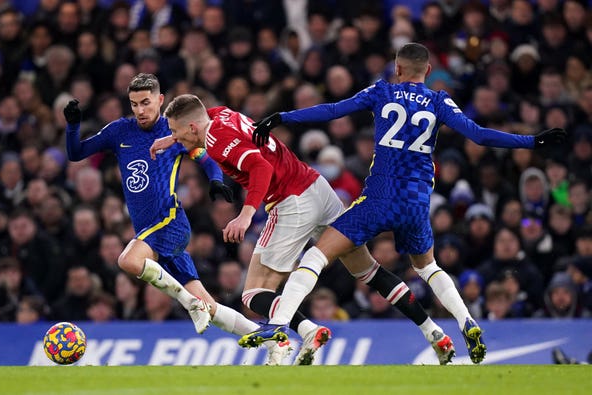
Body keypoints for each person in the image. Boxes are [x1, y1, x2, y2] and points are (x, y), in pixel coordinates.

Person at [246, 43, 567, 364]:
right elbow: (480, 135)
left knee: (316, 255)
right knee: (428, 266)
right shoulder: (439, 100)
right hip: (415, 203)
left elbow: (332, 110)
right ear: (427, 72)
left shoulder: (382, 91)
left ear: (396, 68)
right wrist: (533, 141)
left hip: (379, 199)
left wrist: (283, 117)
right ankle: (466, 320)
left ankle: (278, 323)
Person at [150, 94, 456, 366]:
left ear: (192, 127)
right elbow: (205, 112)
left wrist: (245, 215)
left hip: (290, 203)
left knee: (254, 294)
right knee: (368, 272)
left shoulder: (216, 142)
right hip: (318, 187)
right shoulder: (220, 115)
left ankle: (304, 331)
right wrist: (172, 140)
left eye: (175, 131)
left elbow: (260, 168)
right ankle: (434, 332)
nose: (174, 137)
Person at [63, 73, 288, 365]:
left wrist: (216, 180)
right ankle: (275, 342)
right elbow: (76, 152)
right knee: (210, 307)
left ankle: (188, 303)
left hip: (169, 221)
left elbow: (205, 157)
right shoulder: (119, 131)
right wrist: (72, 125)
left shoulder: (175, 132)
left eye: (146, 102)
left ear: (160, 100)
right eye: (134, 104)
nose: (140, 110)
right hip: (149, 229)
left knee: (128, 261)